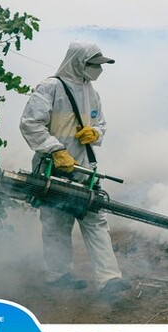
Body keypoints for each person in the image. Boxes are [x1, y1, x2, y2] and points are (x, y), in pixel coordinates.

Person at [19, 41, 130, 296]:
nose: (98, 70)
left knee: (96, 219)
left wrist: (96, 133)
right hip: (53, 167)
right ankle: (58, 276)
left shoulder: (92, 92)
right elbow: (30, 124)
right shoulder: (50, 88)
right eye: (94, 65)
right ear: (79, 62)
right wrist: (55, 149)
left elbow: (100, 122)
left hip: (84, 168)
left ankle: (110, 280)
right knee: (57, 222)